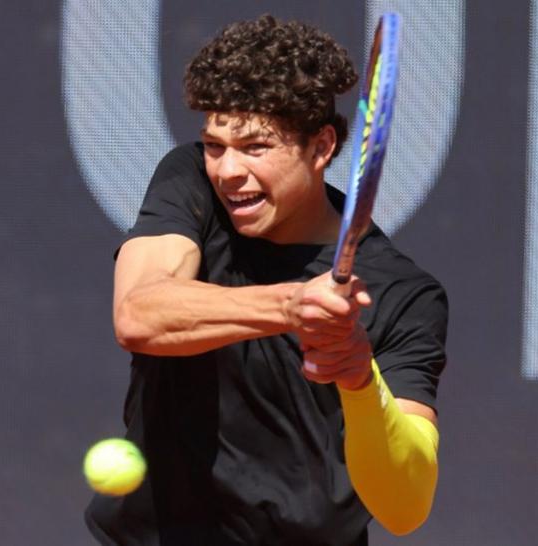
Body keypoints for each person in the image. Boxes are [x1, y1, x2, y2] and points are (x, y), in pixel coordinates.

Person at [85, 14, 448, 546]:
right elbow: (139, 314)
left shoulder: (405, 295)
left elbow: (405, 507)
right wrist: (290, 306)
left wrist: (358, 378)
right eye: (215, 145)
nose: (228, 171)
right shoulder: (191, 185)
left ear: (321, 147)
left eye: (256, 148)